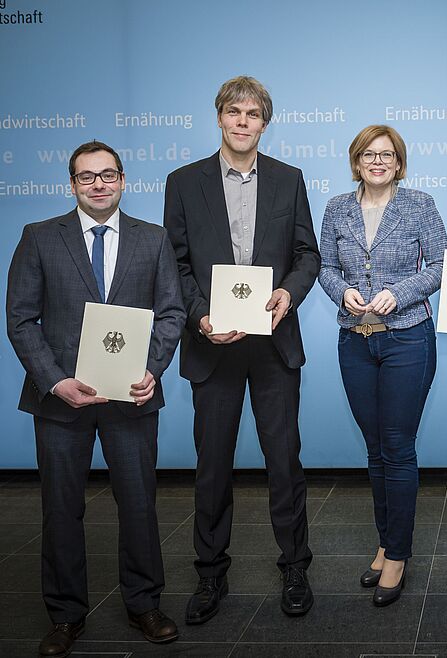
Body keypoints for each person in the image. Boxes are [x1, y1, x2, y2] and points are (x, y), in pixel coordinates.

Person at [6, 140, 185, 655]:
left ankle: (145, 605)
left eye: (108, 175)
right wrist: (55, 380)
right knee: (60, 510)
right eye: (87, 177)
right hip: (60, 400)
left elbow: (171, 313)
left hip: (131, 398)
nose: (99, 184)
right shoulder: (39, 237)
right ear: (72, 185)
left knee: (139, 506)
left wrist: (151, 370)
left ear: (124, 180)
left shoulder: (153, 240)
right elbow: (20, 317)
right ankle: (64, 615)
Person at [164, 76, 319, 624]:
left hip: (273, 343)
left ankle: (295, 566)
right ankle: (210, 574)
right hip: (213, 344)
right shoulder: (183, 183)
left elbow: (307, 255)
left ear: (264, 122)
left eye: (254, 114)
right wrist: (200, 316)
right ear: (220, 117)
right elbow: (175, 265)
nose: (243, 122)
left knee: (284, 463)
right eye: (234, 112)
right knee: (211, 468)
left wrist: (288, 294)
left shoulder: (288, 179)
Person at [319, 124, 447, 607]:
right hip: (355, 340)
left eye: (386, 155)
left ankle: (398, 554)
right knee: (374, 449)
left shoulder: (419, 204)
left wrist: (402, 291)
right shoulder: (336, 208)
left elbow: (439, 264)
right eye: (368, 155)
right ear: (356, 162)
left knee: (396, 446)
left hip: (407, 339)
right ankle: (385, 540)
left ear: (399, 163)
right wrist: (341, 292)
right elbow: (327, 268)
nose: (377, 162)